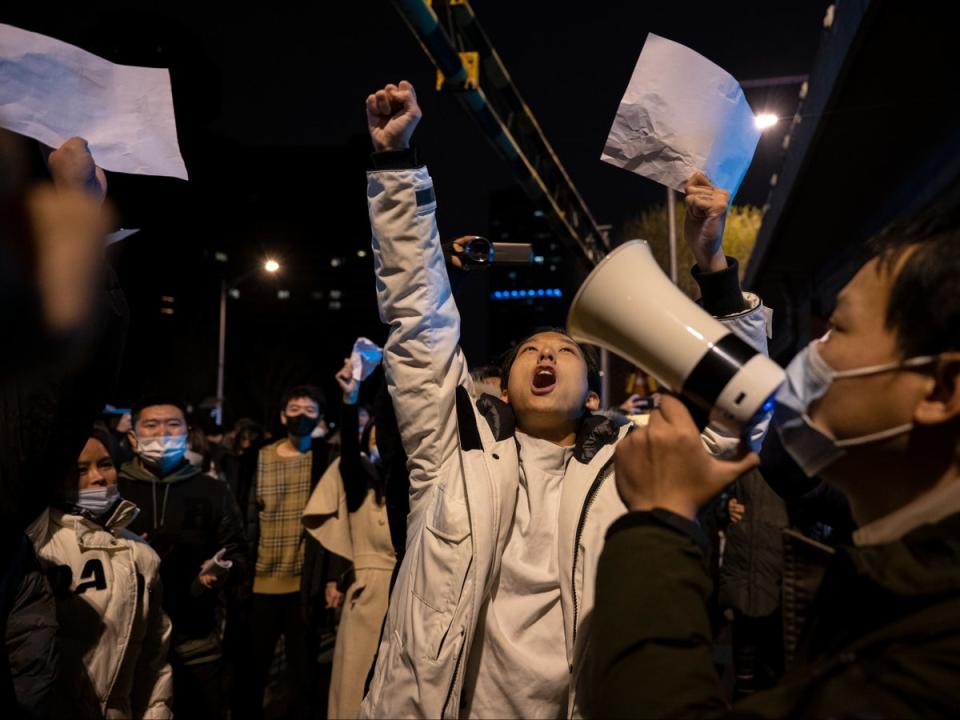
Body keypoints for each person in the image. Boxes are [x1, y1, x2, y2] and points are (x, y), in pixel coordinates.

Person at [358, 80, 771, 718]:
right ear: (504, 377)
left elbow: (733, 416)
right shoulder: (451, 450)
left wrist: (712, 264)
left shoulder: (633, 465)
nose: (546, 355)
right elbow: (419, 323)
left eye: (565, 351)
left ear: (594, 391)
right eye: (530, 350)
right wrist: (394, 165)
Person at [592, 205, 960, 717]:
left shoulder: (933, 661)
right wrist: (717, 274)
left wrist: (659, 519)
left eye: (838, 330)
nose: (814, 351)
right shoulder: (905, 552)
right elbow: (770, 434)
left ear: (940, 390)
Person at [117, 396, 247, 720]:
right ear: (133, 438)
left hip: (195, 641)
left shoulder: (212, 490)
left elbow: (238, 550)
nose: (163, 432)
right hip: (126, 643)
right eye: (152, 425)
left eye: (173, 425)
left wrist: (223, 571)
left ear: (186, 435)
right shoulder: (113, 488)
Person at [28, 427, 173, 718]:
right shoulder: (36, 544)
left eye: (105, 464)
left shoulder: (141, 553)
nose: (97, 477)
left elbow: (154, 662)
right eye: (79, 469)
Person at [303, 359, 397, 719]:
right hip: (366, 593)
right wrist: (351, 399)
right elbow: (347, 449)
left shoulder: (405, 486)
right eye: (371, 432)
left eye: (383, 434)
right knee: (353, 683)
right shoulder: (357, 483)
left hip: (406, 588)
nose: (376, 439)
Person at [244, 385, 328, 719]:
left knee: (302, 675)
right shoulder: (258, 457)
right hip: (259, 584)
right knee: (253, 671)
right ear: (282, 415)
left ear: (320, 418)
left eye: (310, 410)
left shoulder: (324, 461)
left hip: (302, 588)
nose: (301, 416)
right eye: (295, 409)